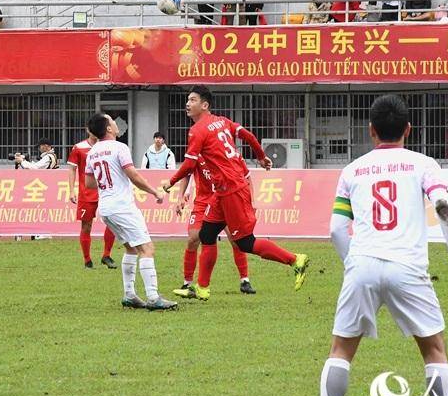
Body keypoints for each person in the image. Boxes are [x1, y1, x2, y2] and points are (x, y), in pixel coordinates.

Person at [319, 95, 448, 396]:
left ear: (371, 130)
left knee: (341, 351)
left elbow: (336, 228)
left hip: (362, 264)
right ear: (408, 128)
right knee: (434, 350)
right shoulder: (424, 164)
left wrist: (353, 265)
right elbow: (443, 207)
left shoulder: (352, 170)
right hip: (407, 266)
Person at [162, 86, 310, 301]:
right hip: (222, 191)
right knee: (206, 235)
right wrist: (260, 156)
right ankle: (202, 288)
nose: (187, 103)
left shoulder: (197, 130)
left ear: (204, 105)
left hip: (232, 189)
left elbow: (187, 165)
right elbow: (248, 135)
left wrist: (171, 182)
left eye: (192, 100)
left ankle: (295, 259)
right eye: (187, 100)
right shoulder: (222, 121)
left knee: (245, 243)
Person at [84, 113, 178, 311]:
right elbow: (133, 175)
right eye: (112, 121)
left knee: (131, 248)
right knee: (147, 248)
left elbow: (89, 183)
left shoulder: (92, 152)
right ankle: (153, 297)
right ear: (109, 128)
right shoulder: (120, 147)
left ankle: (129, 294)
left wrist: (108, 183)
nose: (115, 124)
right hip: (122, 207)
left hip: (106, 208)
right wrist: (155, 192)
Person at [173, 153, 255, 297]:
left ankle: (245, 281)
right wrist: (180, 196)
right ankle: (187, 283)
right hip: (203, 203)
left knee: (236, 240)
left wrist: (251, 201)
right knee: (193, 239)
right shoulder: (197, 153)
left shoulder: (228, 151)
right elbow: (186, 173)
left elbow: (247, 177)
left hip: (226, 201)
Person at [67, 131, 118, 269]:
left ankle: (106, 255)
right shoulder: (79, 147)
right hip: (86, 193)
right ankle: (87, 260)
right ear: (88, 130)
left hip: (106, 192)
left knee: (112, 222)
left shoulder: (108, 147)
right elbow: (72, 169)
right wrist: (72, 190)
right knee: (86, 226)